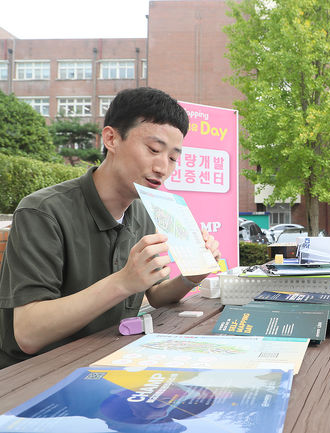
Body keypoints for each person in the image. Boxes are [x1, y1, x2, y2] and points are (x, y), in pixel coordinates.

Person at [0, 87, 221, 368]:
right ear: (111, 138)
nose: (163, 167)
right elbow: (28, 333)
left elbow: (153, 293)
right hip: (34, 375)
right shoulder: (42, 212)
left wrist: (192, 277)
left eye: (173, 158)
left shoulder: (143, 211)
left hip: (108, 360)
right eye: (154, 149)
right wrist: (123, 282)